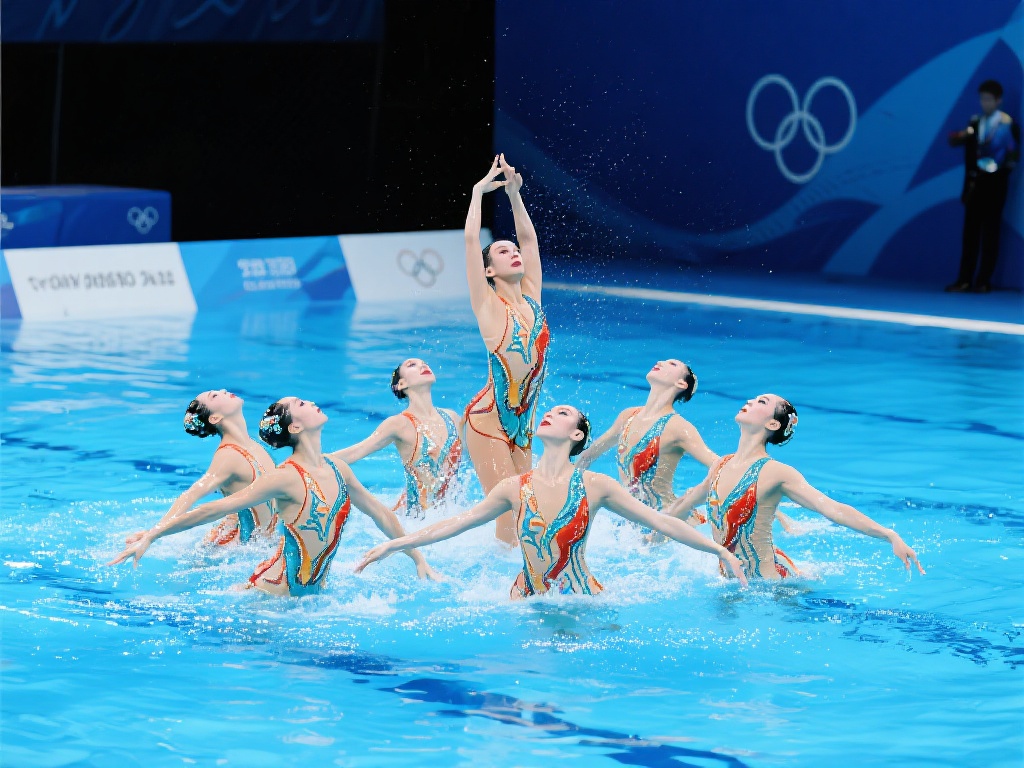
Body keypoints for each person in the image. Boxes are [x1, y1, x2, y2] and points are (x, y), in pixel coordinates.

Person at [356, 404, 748, 597]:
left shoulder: (596, 485)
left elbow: (662, 522)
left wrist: (720, 550)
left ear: (577, 435)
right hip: (523, 597)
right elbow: (457, 524)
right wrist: (398, 543)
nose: (548, 414)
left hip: (581, 597)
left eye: (562, 414)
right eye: (549, 410)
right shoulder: (514, 487)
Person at [109, 397, 440, 595]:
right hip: (272, 595)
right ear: (295, 427)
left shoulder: (338, 468)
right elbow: (215, 507)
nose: (310, 403)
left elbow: (381, 513)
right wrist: (154, 534)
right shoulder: (286, 478)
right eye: (300, 405)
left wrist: (418, 558)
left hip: (310, 597)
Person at [664, 394, 925, 580]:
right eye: (753, 399)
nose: (750, 402)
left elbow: (832, 509)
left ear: (773, 425)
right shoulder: (721, 465)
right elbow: (688, 502)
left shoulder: (776, 472)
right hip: (732, 581)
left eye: (761, 403)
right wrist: (653, 535)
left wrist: (889, 535)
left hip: (770, 588)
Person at [463, 154, 550, 545]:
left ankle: (522, 574)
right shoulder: (487, 306)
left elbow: (529, 239)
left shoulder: (532, 300)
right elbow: (469, 240)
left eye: (512, 250)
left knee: (528, 508)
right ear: (488, 271)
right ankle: (503, 589)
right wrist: (479, 193)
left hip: (523, 424)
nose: (513, 252)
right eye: (501, 252)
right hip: (488, 420)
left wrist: (515, 195)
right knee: (508, 510)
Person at [126, 389, 277, 548]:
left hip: (255, 538)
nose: (224, 391)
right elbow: (191, 494)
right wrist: (154, 533)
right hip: (233, 543)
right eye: (215, 395)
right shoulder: (228, 456)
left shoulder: (253, 445)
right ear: (215, 418)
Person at [575, 359, 717, 512]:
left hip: (664, 524)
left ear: (681, 384)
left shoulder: (679, 428)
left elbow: (719, 466)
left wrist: (692, 498)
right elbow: (588, 456)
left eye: (672, 364)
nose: (660, 362)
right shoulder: (627, 417)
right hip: (632, 521)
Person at [335, 358, 463, 518]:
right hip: (412, 520)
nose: (422, 365)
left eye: (424, 363)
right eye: (412, 365)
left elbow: (476, 460)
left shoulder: (452, 418)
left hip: (450, 517)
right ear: (401, 384)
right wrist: (310, 462)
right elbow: (357, 451)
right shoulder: (399, 424)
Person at [946, 79, 1020, 293]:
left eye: (989, 99)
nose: (984, 103)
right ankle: (964, 279)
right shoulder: (975, 122)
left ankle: (983, 281)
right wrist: (960, 136)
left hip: (995, 189)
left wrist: (997, 175)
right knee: (970, 235)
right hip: (973, 186)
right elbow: (959, 144)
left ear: (999, 100)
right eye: (982, 99)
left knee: (990, 234)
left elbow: (1013, 157)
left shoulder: (1008, 125)